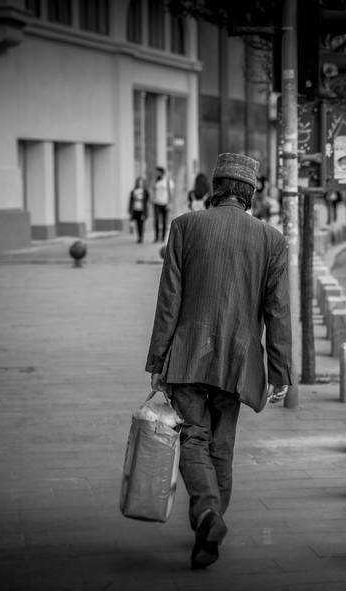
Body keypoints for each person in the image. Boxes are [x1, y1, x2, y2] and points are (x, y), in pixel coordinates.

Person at [145, 152, 292, 570]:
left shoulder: (185, 226)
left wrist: (158, 359)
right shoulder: (271, 239)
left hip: (190, 354)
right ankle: (211, 528)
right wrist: (281, 372)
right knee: (222, 446)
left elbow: (168, 300)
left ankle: (207, 515)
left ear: (216, 188)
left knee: (193, 438)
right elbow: (277, 311)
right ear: (250, 193)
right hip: (237, 360)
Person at [152, 166, 174, 242]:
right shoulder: (155, 181)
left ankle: (163, 237)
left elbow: (171, 193)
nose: (156, 173)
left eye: (157, 172)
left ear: (161, 172)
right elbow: (153, 191)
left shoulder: (167, 181)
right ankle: (156, 237)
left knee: (164, 221)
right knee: (156, 220)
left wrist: (169, 203)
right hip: (156, 203)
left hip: (165, 203)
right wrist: (153, 198)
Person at [127, 176, 150, 243]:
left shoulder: (145, 191)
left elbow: (147, 200)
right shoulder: (133, 191)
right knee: (137, 224)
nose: (140, 184)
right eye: (139, 182)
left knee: (141, 224)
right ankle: (139, 237)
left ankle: (141, 237)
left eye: (141, 182)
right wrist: (129, 209)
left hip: (142, 210)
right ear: (137, 183)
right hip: (135, 209)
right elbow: (131, 201)